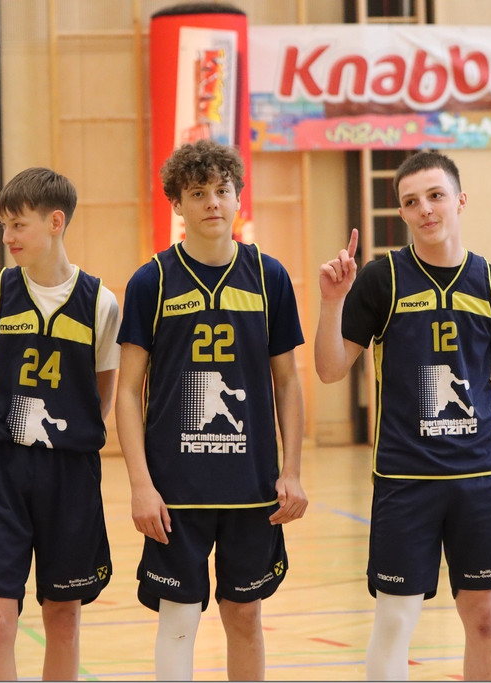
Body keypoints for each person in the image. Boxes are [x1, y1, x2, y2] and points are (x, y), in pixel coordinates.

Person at [316, 151, 491, 681]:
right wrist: (332, 302)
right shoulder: (381, 279)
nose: (426, 209)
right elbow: (329, 369)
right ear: (402, 213)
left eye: (436, 196)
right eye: (412, 202)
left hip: (480, 478)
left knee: (485, 619)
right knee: (395, 619)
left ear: (460, 200)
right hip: (405, 478)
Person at [115, 139, 307, 682]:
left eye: (221, 190)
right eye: (197, 193)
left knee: (245, 617)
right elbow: (127, 391)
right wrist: (140, 485)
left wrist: (292, 470)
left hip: (252, 486)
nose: (212, 203)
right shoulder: (151, 281)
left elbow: (288, 382)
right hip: (176, 490)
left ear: (238, 196)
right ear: (177, 203)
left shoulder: (269, 277)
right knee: (178, 621)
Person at [0, 167, 120, 681]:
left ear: (55, 222)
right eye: (4, 224)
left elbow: (103, 397)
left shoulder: (101, 303)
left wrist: (63, 437)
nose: (8, 236)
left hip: (70, 475)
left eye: (18, 224)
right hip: (2, 471)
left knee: (63, 619)